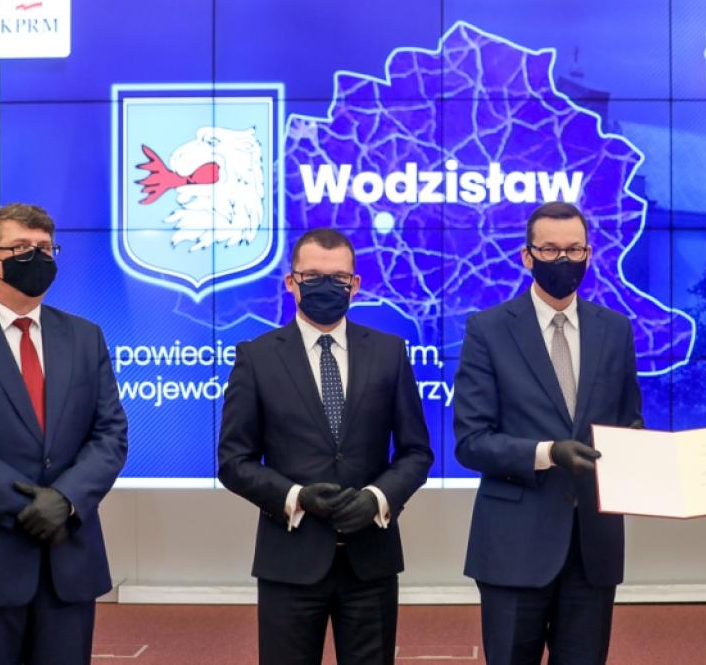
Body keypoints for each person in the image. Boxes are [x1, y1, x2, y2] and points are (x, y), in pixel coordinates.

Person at [0, 203, 128, 664]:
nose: (38, 257)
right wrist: (29, 507)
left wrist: (65, 500)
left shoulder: (85, 336)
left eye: (45, 247)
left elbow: (110, 434)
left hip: (68, 565)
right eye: (21, 247)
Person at [218, 227, 434, 664]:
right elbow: (233, 461)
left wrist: (377, 499)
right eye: (313, 276)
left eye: (338, 278)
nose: (327, 286)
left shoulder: (389, 352)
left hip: (371, 561)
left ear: (355, 285)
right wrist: (296, 497)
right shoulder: (257, 357)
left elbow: (416, 452)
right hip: (289, 560)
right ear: (291, 282)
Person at [454, 202, 643, 665]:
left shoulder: (615, 330)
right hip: (513, 546)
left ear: (589, 254)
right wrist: (548, 453)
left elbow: (629, 423)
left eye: (574, 249)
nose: (564, 259)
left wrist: (648, 455)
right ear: (527, 256)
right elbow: (471, 441)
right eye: (550, 249)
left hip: (592, 548)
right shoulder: (488, 330)